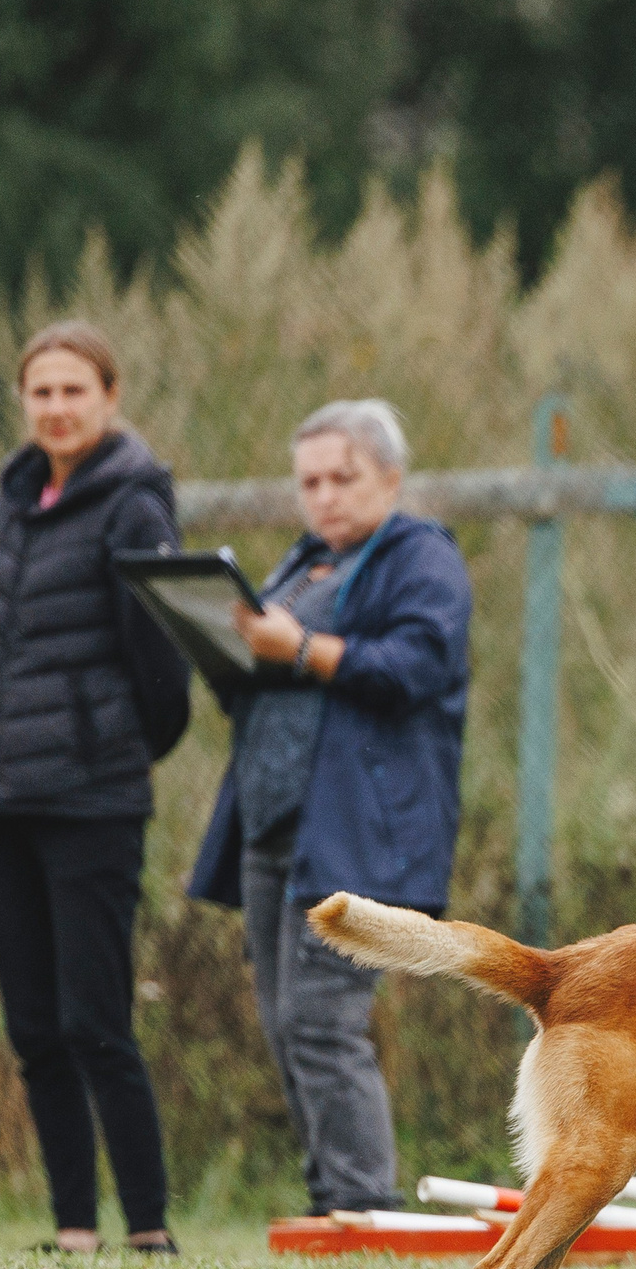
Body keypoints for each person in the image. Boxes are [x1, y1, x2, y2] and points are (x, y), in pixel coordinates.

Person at [187, 401, 471, 1216]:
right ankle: (330, 1199)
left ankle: (364, 1202)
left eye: (343, 477)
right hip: (274, 823)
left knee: (323, 1018)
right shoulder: (306, 562)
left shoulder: (421, 557)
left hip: (358, 827)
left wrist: (303, 649)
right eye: (309, 481)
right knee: (284, 1021)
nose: (325, 496)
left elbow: (416, 666)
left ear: (391, 476)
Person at [0, 321, 192, 1254]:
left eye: (73, 390)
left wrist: (116, 748)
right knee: (34, 1027)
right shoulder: (13, 502)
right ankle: (72, 1228)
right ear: (23, 401)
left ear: (110, 396)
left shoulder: (134, 504)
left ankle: (146, 1226)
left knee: (96, 1022)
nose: (56, 407)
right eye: (41, 391)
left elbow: (161, 662)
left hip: (92, 803)